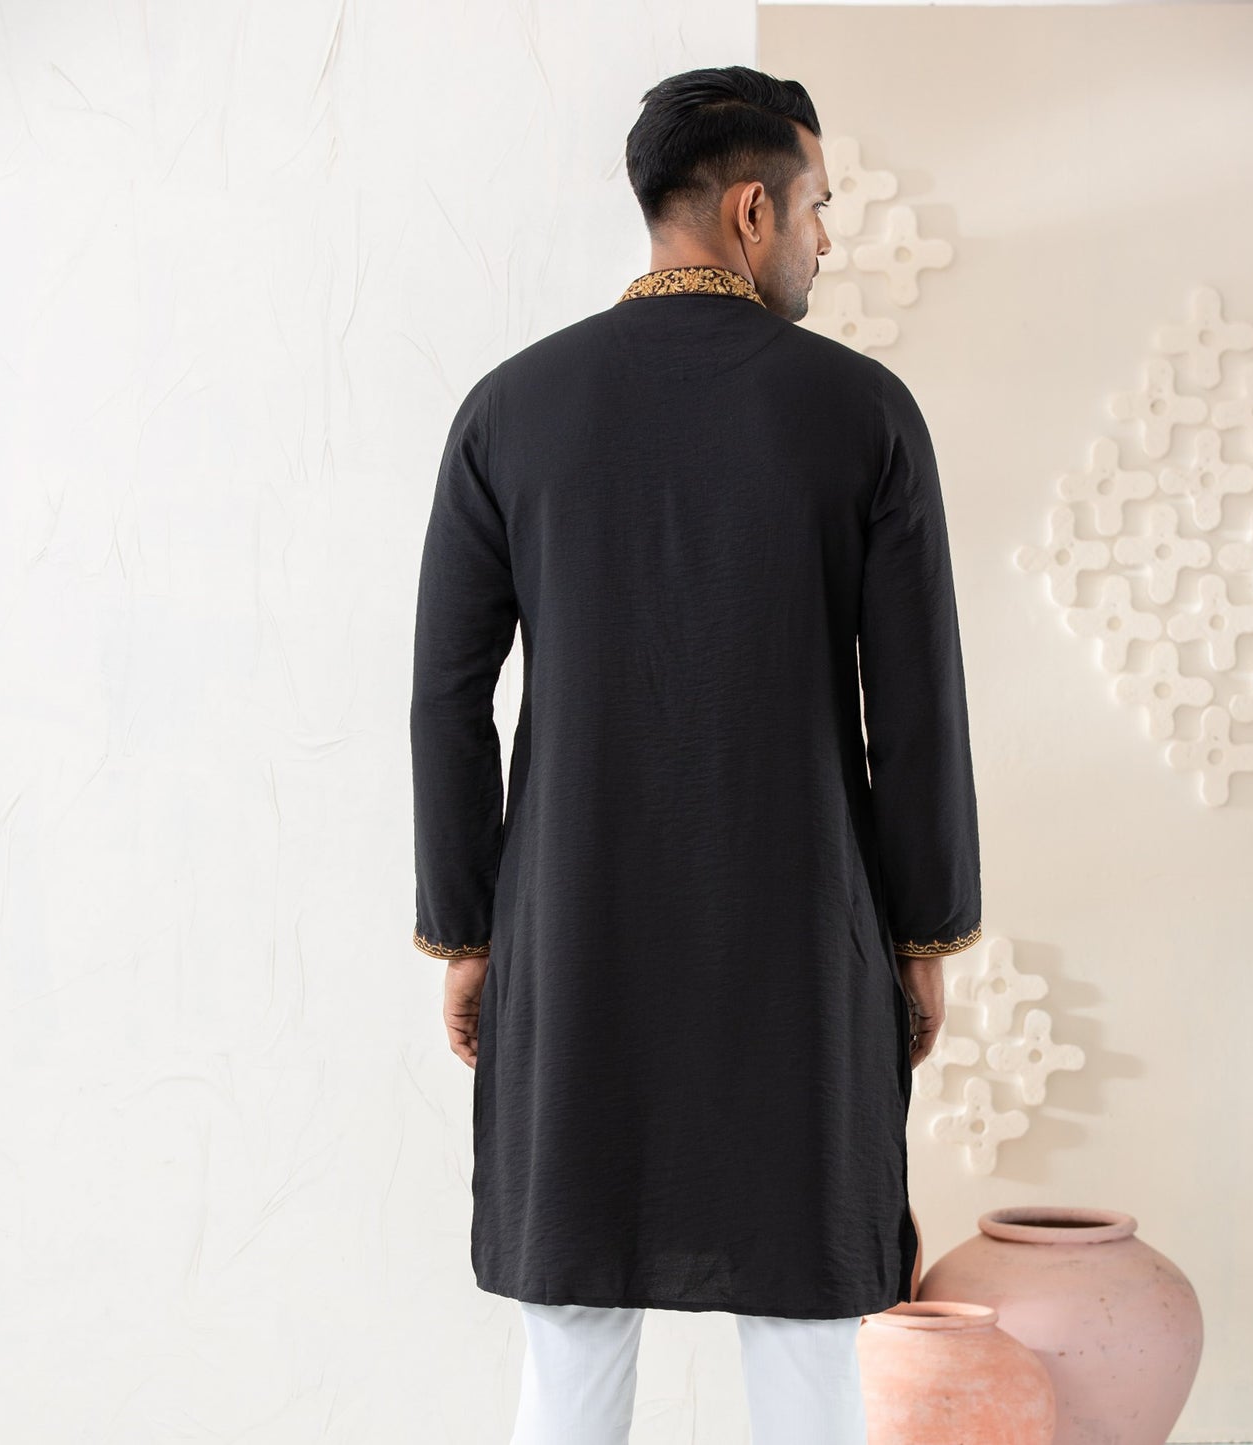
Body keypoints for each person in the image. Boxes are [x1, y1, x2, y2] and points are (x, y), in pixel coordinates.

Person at [410, 64, 981, 1445]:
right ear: (749, 212)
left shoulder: (509, 409)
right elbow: (916, 712)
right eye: (817, 207)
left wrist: (470, 932)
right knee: (806, 1333)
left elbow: (446, 696)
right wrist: (922, 938)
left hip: (575, 934)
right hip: (800, 947)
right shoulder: (862, 411)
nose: (824, 239)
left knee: (570, 1337)